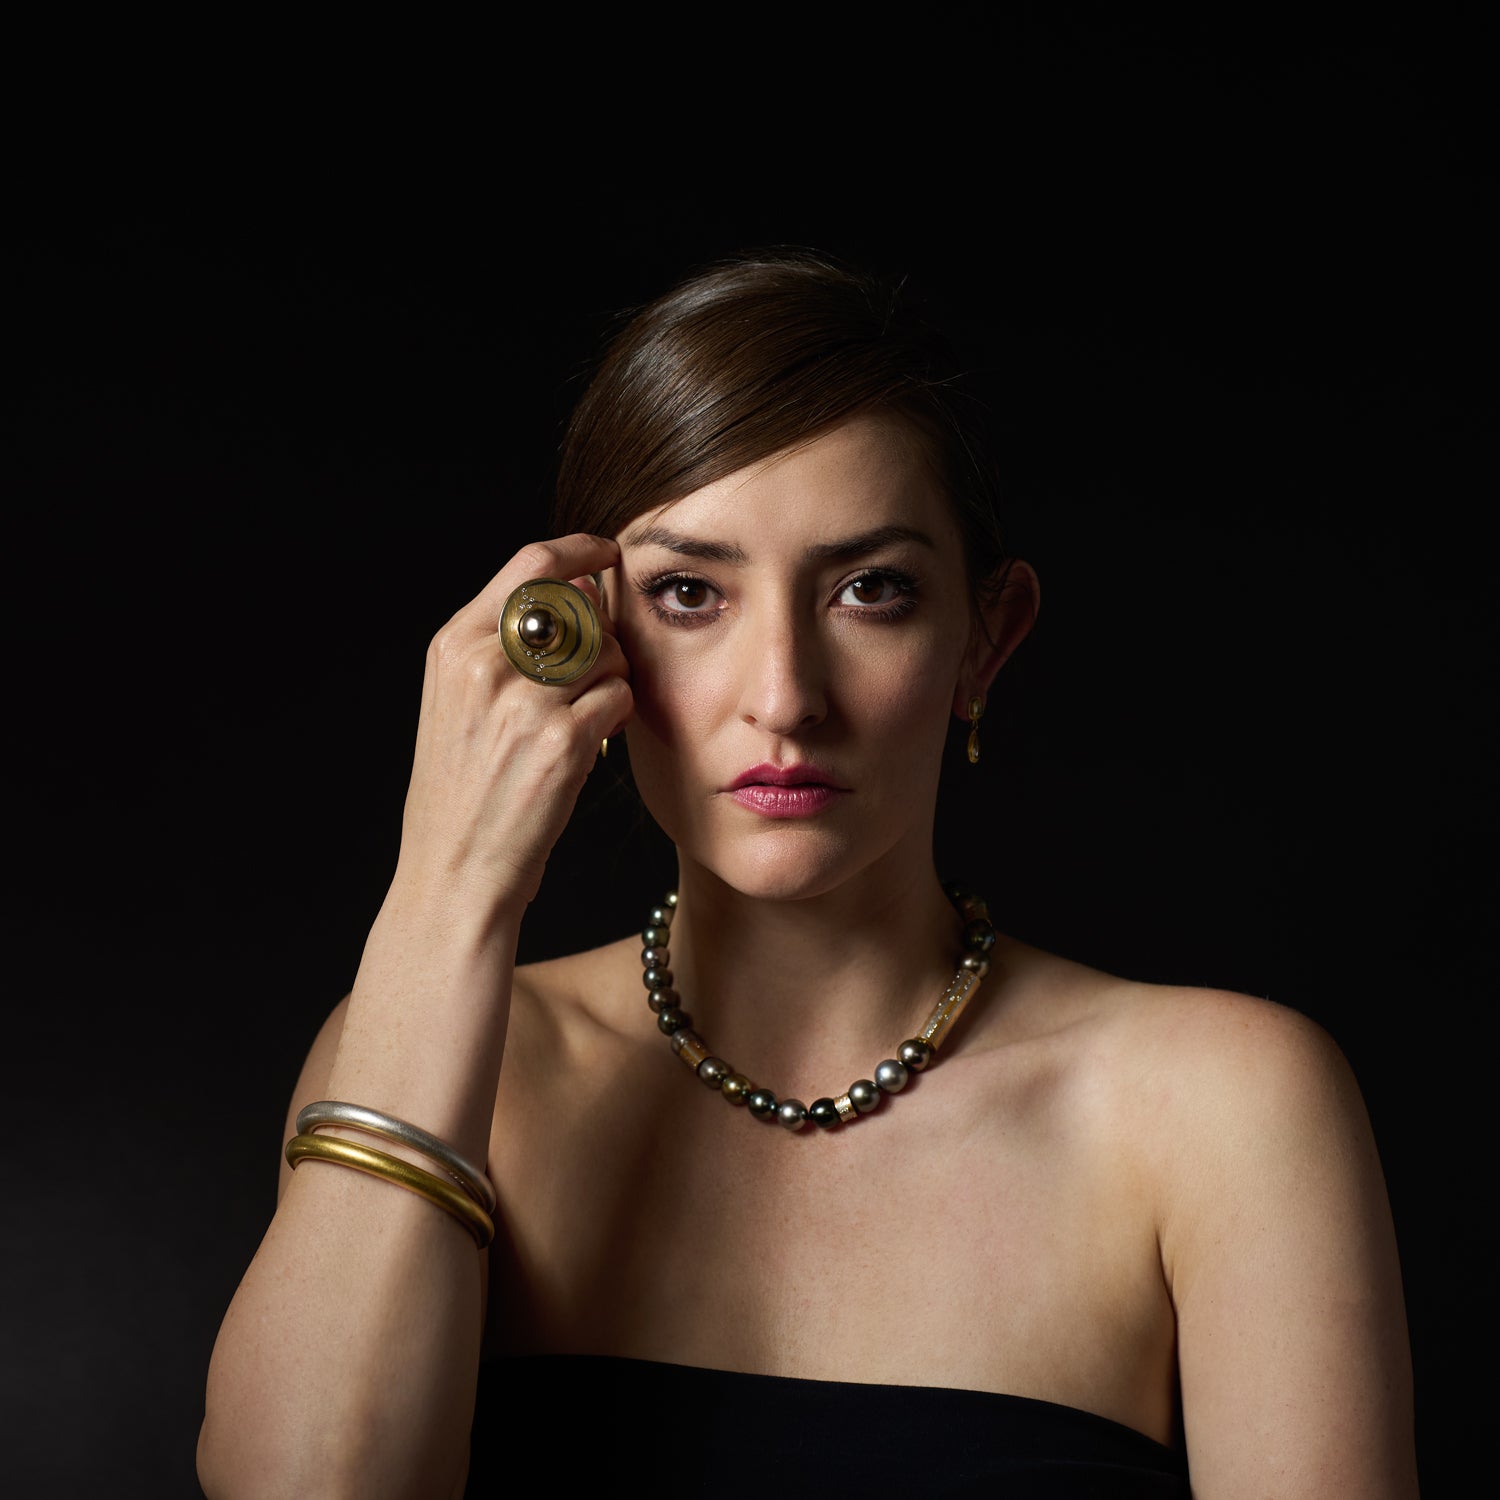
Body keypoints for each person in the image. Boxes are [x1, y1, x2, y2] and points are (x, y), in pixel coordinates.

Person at [197, 247, 1418, 1498]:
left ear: (984, 640)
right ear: (588, 629)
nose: (784, 697)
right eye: (689, 593)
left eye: (870, 591)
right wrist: (450, 888)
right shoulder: (441, 1061)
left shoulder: (1221, 1116)